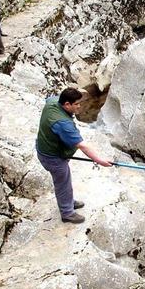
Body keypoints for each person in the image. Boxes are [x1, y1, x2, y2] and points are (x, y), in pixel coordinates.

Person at [36, 88, 112, 224]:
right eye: (76, 104)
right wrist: (100, 160)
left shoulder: (53, 102)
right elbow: (82, 145)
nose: (79, 106)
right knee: (62, 183)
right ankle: (67, 213)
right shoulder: (63, 124)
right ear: (66, 104)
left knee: (65, 179)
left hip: (47, 149)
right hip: (52, 157)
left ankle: (68, 201)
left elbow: (48, 98)